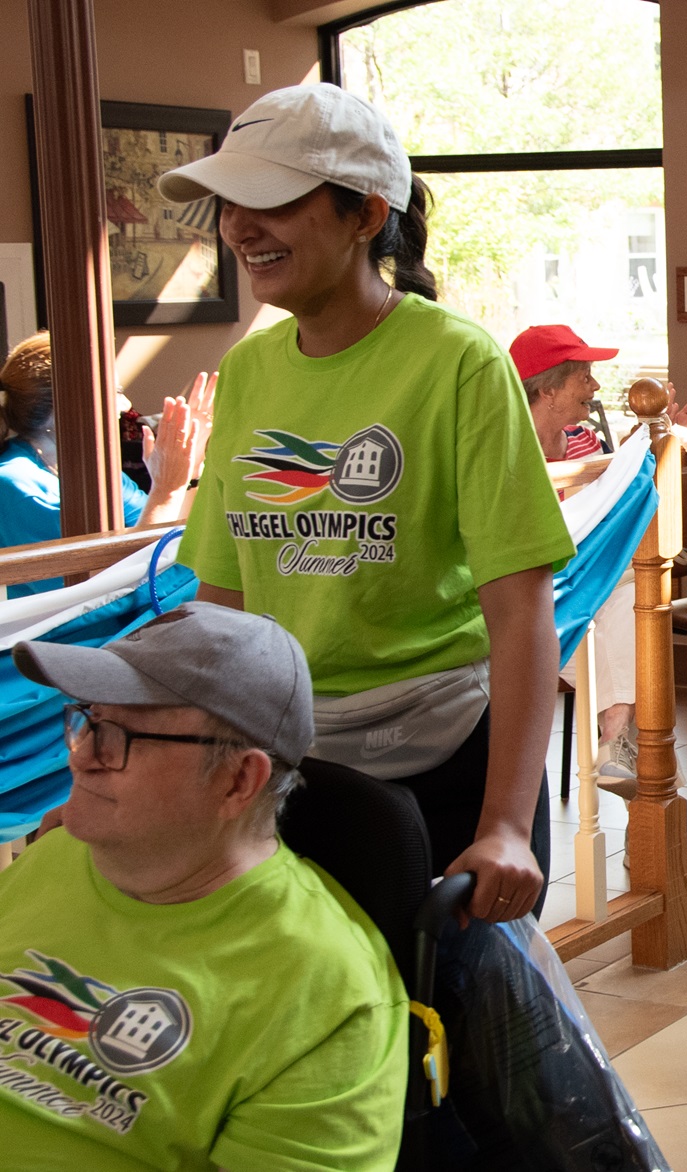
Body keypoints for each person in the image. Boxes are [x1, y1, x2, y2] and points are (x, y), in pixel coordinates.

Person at [157, 83, 577, 925]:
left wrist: (504, 824)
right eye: (230, 203)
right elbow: (223, 609)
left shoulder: (456, 361)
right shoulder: (249, 371)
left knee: (445, 1034)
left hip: (445, 767)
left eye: (271, 200)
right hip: (289, 762)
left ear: (364, 214)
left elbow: (521, 607)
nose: (240, 226)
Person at [0, 602, 406, 1167]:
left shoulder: (326, 992)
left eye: (117, 736)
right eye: (86, 720)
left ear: (239, 780)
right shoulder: (58, 856)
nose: (82, 757)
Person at [510, 323, 687, 782]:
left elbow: (615, 506)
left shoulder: (583, 442)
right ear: (548, 387)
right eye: (584, 376)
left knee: (623, 586)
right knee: (618, 592)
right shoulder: (501, 448)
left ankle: (617, 733)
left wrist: (659, 441)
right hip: (531, 583)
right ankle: (624, 734)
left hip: (584, 578)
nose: (595, 387)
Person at [0, 332, 214, 597]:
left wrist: (190, 467)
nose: (126, 405)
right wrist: (167, 487)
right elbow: (106, 594)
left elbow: (176, 538)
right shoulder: (17, 484)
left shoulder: (85, 467)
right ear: (67, 402)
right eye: (115, 391)